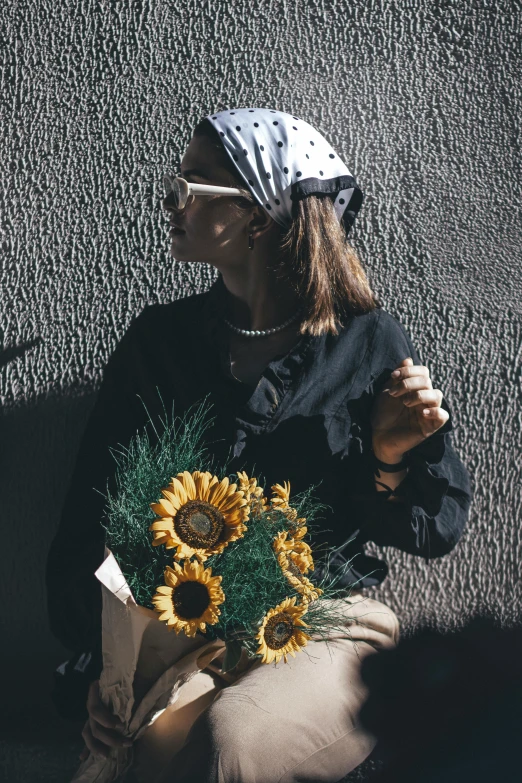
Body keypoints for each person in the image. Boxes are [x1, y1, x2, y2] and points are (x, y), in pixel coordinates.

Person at [46, 107, 472, 782]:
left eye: (191, 185)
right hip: (182, 633)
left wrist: (389, 457)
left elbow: (441, 520)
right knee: (149, 736)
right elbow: (90, 523)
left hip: (323, 622)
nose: (169, 199)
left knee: (230, 742)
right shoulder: (158, 345)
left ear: (256, 213)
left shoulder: (365, 340)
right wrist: (112, 669)